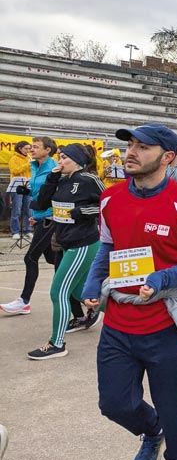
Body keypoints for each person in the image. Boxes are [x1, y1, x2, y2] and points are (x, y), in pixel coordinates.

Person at [81, 123, 177, 460]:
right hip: (119, 323)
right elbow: (107, 247)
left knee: (173, 406)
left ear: (167, 157)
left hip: (166, 326)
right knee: (114, 404)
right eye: (130, 145)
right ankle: (152, 431)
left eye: (143, 147)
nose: (131, 152)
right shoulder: (111, 197)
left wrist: (161, 278)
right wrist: (94, 283)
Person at [26, 144, 105, 359]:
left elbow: (108, 204)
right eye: (59, 158)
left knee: (57, 291)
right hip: (65, 241)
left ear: (77, 160)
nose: (59, 162)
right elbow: (41, 204)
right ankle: (124, 304)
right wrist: (51, 179)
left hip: (83, 244)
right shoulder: (60, 180)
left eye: (64, 158)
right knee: (79, 292)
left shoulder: (88, 180)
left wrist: (80, 211)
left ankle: (57, 343)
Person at [1, 137, 64, 316]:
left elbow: (53, 194)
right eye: (31, 146)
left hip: (51, 219)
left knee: (30, 258)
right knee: (54, 259)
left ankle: (24, 301)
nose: (31, 149)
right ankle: (80, 293)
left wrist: (44, 214)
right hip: (39, 218)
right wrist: (28, 195)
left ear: (48, 150)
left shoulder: (55, 168)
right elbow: (39, 192)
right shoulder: (34, 166)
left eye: (36, 147)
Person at [7, 140, 32, 239]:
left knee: (28, 210)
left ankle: (28, 230)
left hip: (27, 185)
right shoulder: (14, 158)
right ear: (20, 148)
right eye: (26, 148)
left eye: (29, 148)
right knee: (16, 210)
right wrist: (28, 165)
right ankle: (15, 231)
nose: (28, 150)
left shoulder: (29, 158)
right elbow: (14, 171)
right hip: (16, 187)